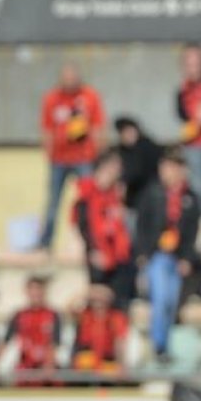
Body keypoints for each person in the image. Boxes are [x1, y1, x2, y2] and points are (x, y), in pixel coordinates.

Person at [134, 146, 199, 364]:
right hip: (157, 256)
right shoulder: (152, 193)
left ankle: (166, 344)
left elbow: (191, 233)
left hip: (176, 257)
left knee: (172, 303)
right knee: (160, 300)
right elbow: (141, 226)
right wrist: (143, 252)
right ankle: (159, 345)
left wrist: (186, 258)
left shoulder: (190, 198)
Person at [39, 62, 106, 250]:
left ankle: (93, 240)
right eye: (66, 78)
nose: (69, 82)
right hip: (59, 158)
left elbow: (98, 126)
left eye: (72, 77)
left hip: (84, 158)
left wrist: (98, 155)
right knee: (53, 202)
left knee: (90, 199)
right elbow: (46, 129)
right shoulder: (52, 98)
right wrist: (49, 154)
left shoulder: (89, 96)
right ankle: (46, 242)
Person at [72, 149, 135, 308]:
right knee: (100, 300)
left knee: (120, 301)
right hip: (99, 253)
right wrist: (93, 249)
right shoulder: (88, 193)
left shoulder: (116, 193)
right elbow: (83, 224)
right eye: (114, 168)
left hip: (119, 254)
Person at [3, 275, 62, 386]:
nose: (35, 293)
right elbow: (5, 341)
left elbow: (54, 343)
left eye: (38, 289)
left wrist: (49, 365)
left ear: (44, 292)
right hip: (25, 368)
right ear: (27, 292)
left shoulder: (53, 315)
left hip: (45, 368)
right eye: (32, 289)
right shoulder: (19, 315)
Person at [70, 284, 129, 377]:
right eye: (96, 298)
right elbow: (70, 308)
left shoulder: (116, 316)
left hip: (107, 361)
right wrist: (85, 294)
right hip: (86, 362)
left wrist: (121, 365)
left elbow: (120, 341)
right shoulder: (85, 314)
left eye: (102, 297)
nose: (99, 301)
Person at [114, 116, 162, 211]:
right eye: (125, 132)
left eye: (131, 131)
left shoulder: (147, 146)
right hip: (132, 197)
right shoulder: (121, 151)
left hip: (150, 190)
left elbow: (139, 169)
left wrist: (125, 181)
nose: (129, 135)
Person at [175, 43, 201, 190]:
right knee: (196, 187)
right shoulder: (183, 90)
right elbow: (183, 117)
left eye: (196, 64)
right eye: (188, 64)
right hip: (193, 147)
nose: (192, 68)